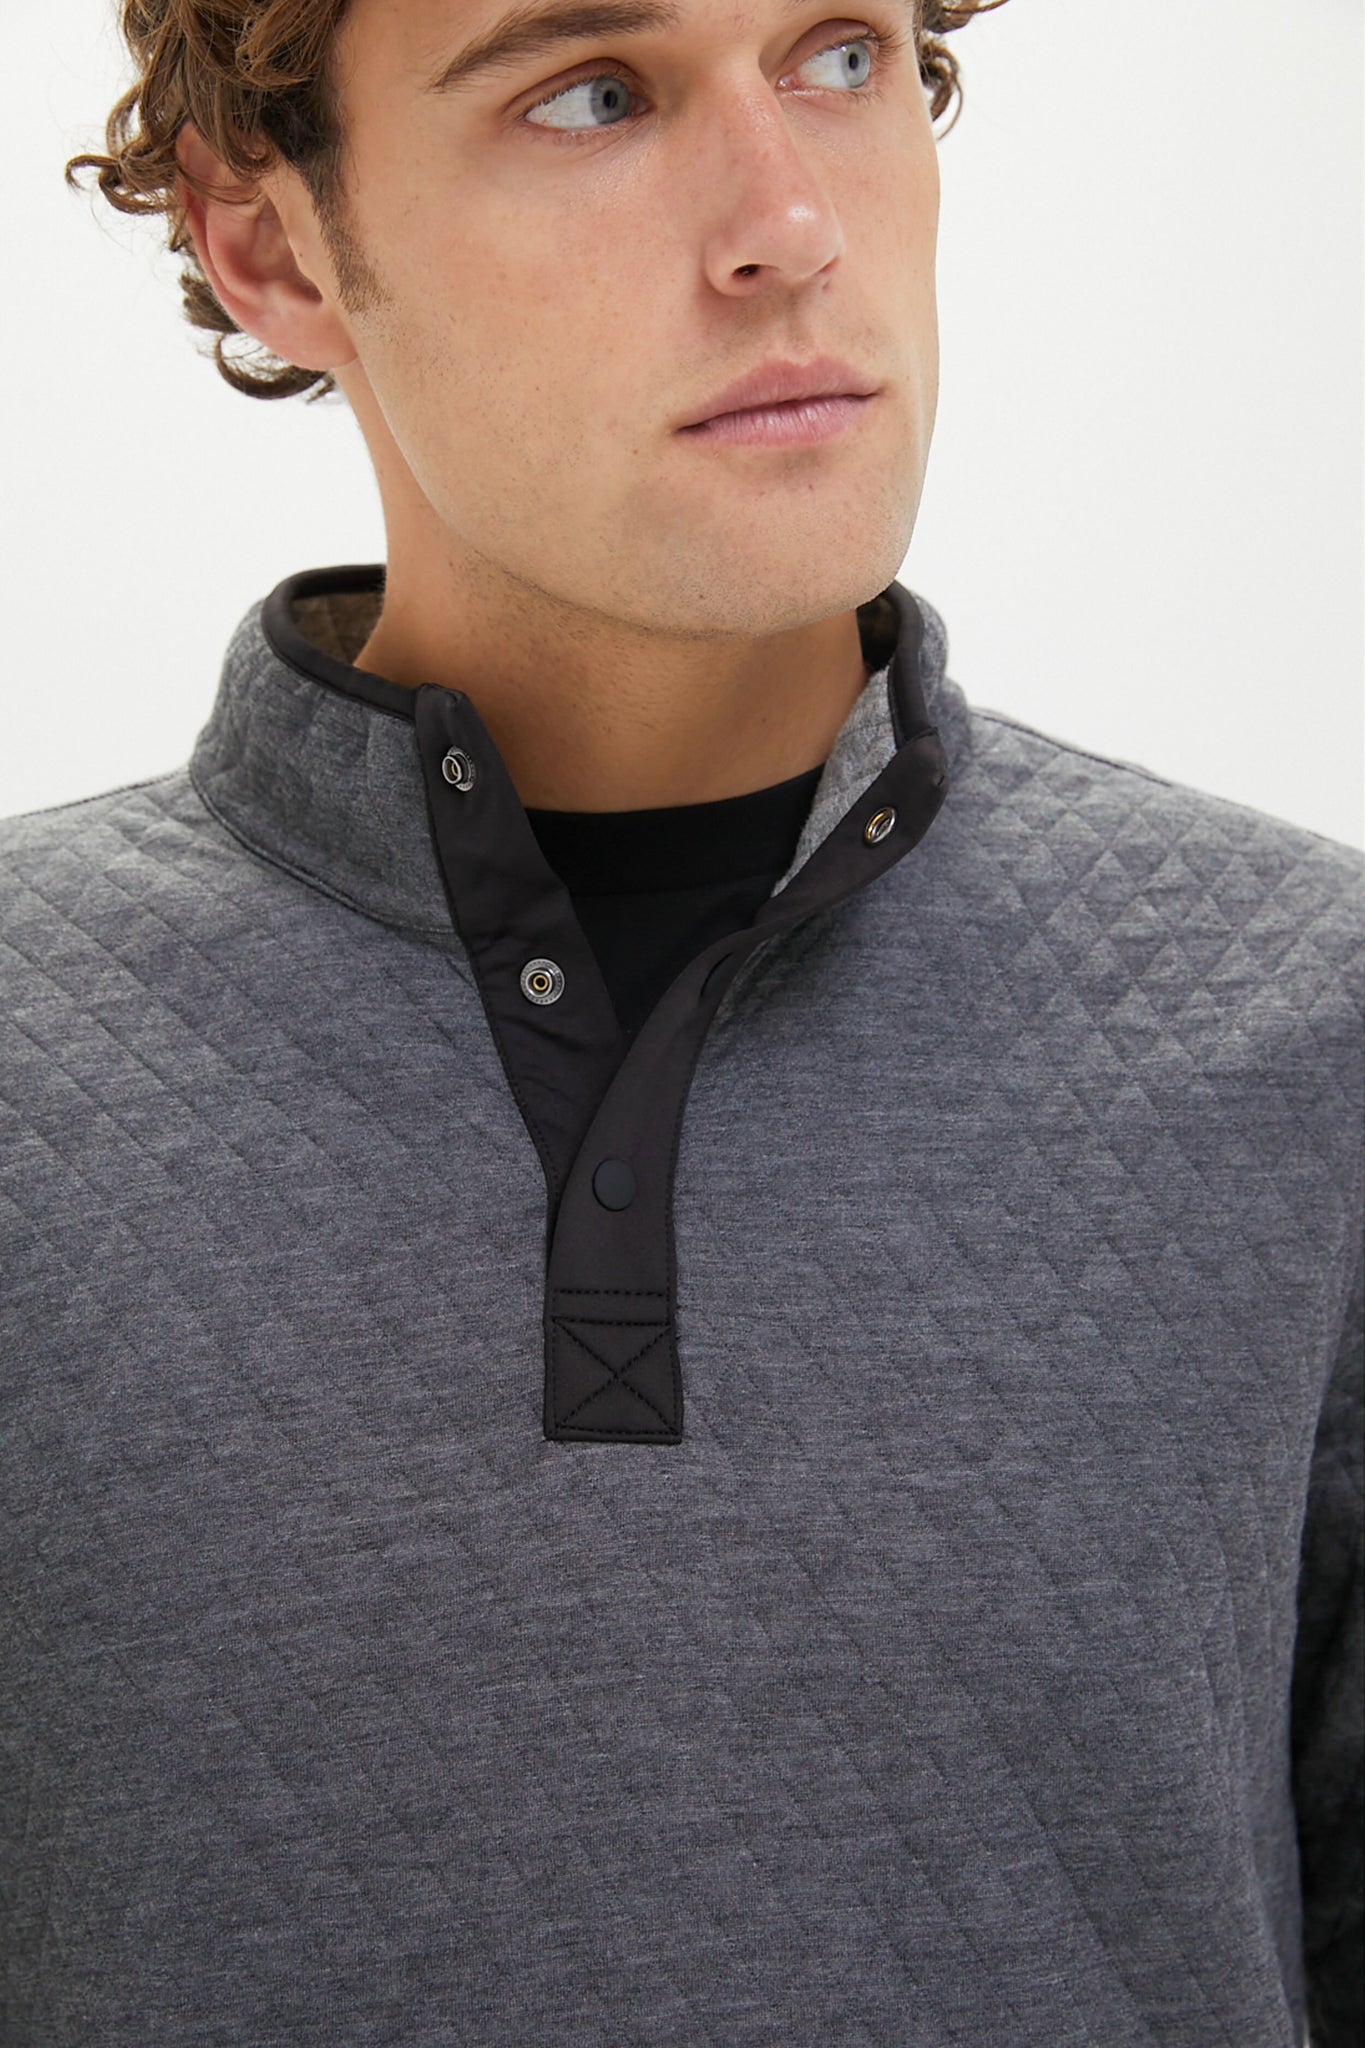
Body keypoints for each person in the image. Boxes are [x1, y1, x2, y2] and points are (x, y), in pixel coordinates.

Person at [3, 0, 1360, 2040]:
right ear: (269, 243)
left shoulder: (1316, 1027)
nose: (788, 224)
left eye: (840, 55)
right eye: (593, 94)